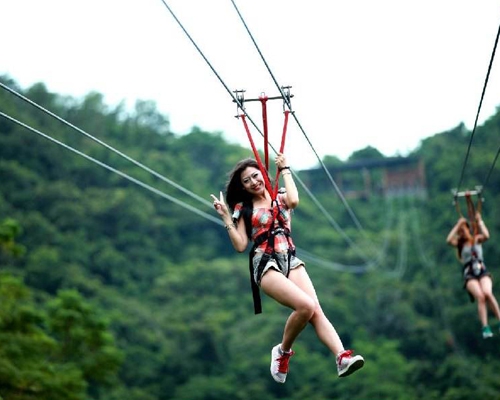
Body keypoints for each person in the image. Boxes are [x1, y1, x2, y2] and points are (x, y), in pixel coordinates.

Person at [211, 154, 364, 383]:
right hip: (265, 262)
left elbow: (293, 201)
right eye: (246, 180)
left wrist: (285, 169)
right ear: (242, 186)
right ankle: (282, 352)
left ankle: (341, 357)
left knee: (315, 311)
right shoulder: (244, 208)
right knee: (305, 305)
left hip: (289, 257)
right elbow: (241, 245)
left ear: (263, 174)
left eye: (256, 175)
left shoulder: (280, 196)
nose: (253, 182)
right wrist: (226, 217)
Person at [446, 212, 500, 338]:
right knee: (480, 296)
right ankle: (485, 327)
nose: (461, 232)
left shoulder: (476, 239)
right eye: (460, 231)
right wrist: (457, 225)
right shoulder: (460, 245)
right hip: (470, 274)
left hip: (481, 270)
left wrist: (480, 221)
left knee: (487, 293)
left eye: (463, 229)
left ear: (468, 229)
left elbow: (486, 235)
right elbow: (448, 240)